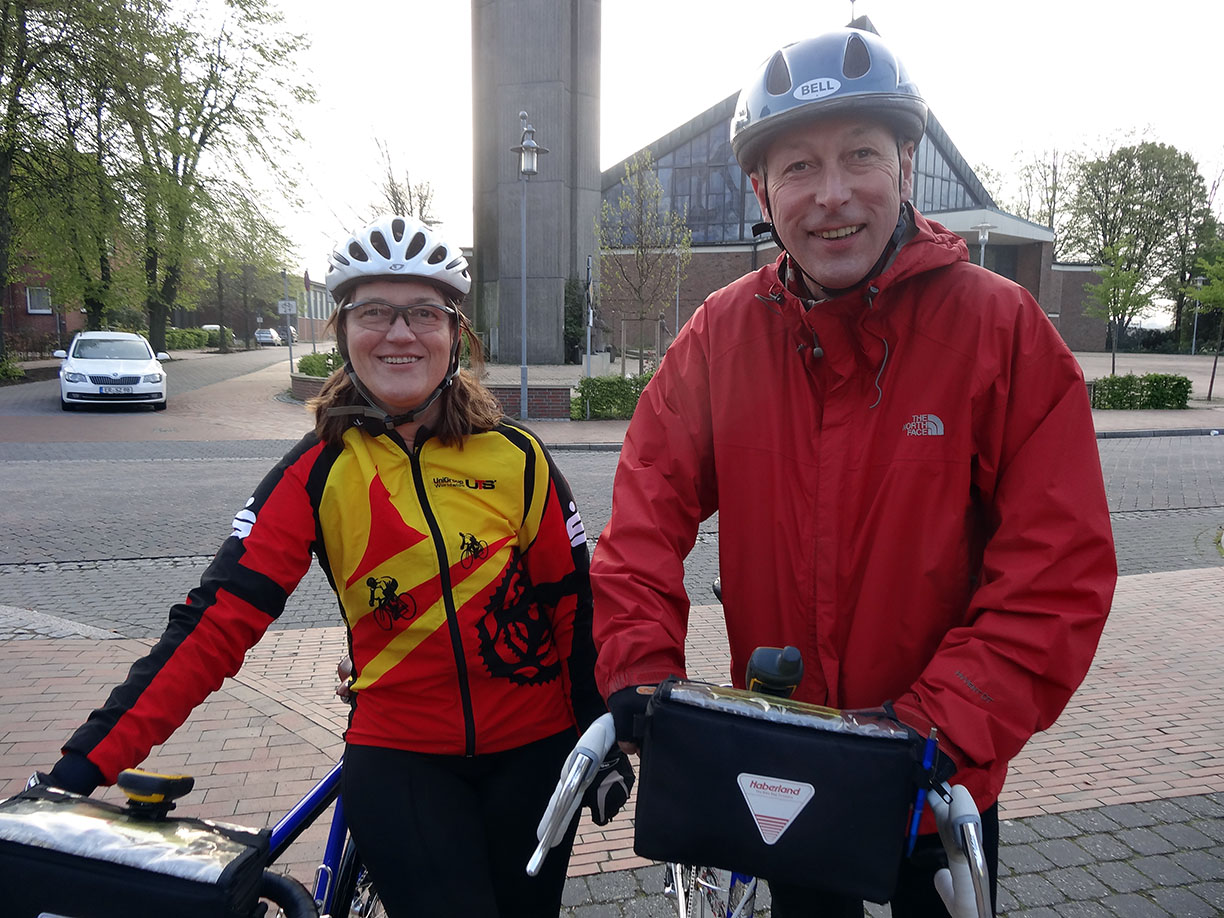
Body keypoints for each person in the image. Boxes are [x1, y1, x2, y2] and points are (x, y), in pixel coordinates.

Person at [589, 29, 1116, 918]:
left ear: (907, 163)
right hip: (785, 763)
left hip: (938, 772)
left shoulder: (1002, 332)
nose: (831, 196)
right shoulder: (722, 337)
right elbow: (643, 515)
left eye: (860, 155)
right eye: (798, 167)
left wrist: (939, 724)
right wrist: (643, 676)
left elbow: (1055, 570)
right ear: (763, 189)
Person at [39, 214, 634, 917]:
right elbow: (215, 625)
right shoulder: (316, 472)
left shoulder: (519, 457)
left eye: (424, 313)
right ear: (343, 332)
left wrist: (602, 728)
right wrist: (78, 769)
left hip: (536, 753)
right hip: (403, 756)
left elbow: (572, 603)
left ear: (456, 336)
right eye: (374, 311)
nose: (400, 332)